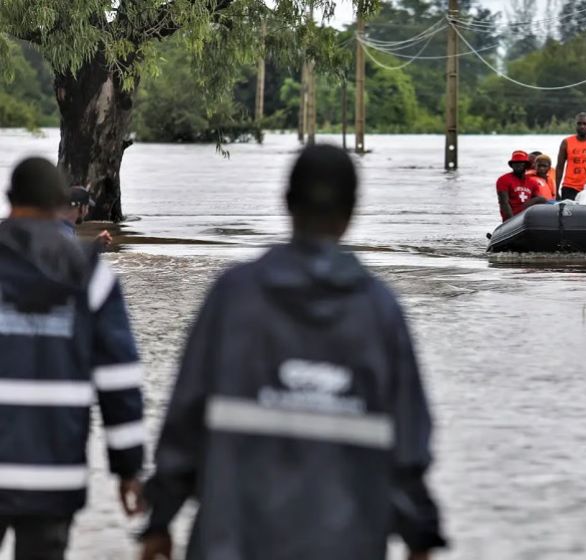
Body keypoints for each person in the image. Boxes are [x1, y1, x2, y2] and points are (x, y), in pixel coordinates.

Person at [140, 144, 447, 560]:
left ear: (286, 202)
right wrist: (420, 536)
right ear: (353, 210)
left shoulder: (233, 297)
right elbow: (408, 447)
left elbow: (184, 423)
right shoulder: (379, 311)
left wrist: (159, 521)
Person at [0, 157, 145, 560]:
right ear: (57, 204)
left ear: (10, 199)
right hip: (54, 473)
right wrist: (128, 468)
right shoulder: (90, 274)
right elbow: (119, 381)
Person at [496, 150, 546, 221]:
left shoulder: (533, 182)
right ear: (512, 165)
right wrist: (510, 221)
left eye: (521, 163)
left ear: (526, 165)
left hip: (527, 216)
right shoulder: (503, 180)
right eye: (515, 163)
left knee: (541, 199)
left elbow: (538, 203)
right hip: (512, 215)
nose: (518, 165)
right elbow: (503, 203)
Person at [555, 112, 586, 201]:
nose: (582, 126)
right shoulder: (566, 142)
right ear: (575, 125)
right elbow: (560, 167)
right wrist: (556, 190)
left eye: (585, 124)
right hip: (569, 186)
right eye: (579, 124)